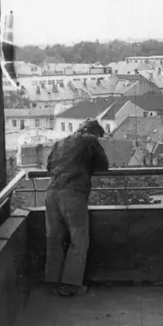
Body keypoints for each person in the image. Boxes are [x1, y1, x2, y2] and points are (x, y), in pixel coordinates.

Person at [44, 118, 109, 296]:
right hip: (73, 193)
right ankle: (71, 285)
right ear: (94, 132)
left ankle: (53, 282)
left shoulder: (59, 143)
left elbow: (48, 167)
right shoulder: (90, 140)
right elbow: (103, 166)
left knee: (54, 239)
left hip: (51, 193)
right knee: (78, 240)